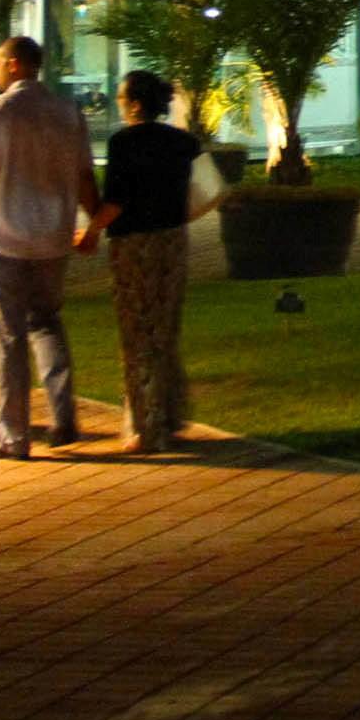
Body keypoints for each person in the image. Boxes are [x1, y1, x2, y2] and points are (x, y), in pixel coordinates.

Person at [0, 35, 98, 461]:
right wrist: (95, 223)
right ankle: (63, 418)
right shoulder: (68, 113)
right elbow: (85, 177)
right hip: (53, 239)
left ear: (12, 65)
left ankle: (14, 435)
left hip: (3, 240)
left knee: (8, 339)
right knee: (47, 323)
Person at [96, 71, 202, 454]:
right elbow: (206, 188)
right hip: (173, 240)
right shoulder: (183, 142)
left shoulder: (124, 143)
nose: (119, 104)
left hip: (134, 244)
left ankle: (147, 429)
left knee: (137, 334)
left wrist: (89, 230)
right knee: (165, 329)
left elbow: (116, 201)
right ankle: (171, 415)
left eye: (122, 98)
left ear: (135, 103)